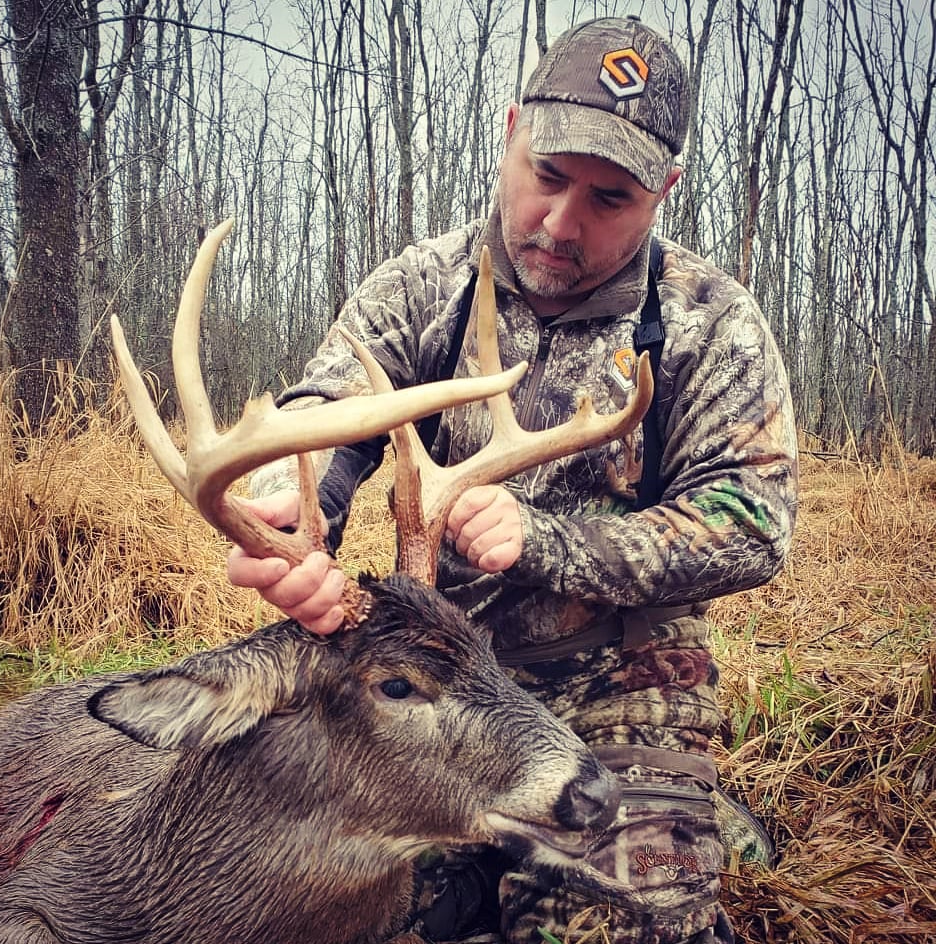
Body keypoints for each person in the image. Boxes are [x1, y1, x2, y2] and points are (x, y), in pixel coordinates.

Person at [228, 15, 798, 944]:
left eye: (610, 199)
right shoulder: (426, 286)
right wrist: (304, 498)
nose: (560, 223)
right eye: (548, 176)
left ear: (665, 192)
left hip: (622, 687)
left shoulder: (709, 322)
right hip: (422, 688)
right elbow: (332, 403)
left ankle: (672, 817)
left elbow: (754, 519)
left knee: (605, 931)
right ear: (510, 132)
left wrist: (551, 542)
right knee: (274, 899)